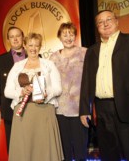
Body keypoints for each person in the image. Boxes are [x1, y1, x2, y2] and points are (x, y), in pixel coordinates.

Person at [79, 10, 129, 161]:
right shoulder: (92, 51)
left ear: (116, 21)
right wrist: (83, 110)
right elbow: (86, 81)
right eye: (100, 22)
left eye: (108, 19)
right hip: (102, 110)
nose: (105, 24)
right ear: (97, 27)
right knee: (108, 154)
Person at [4, 32, 64, 161]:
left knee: (44, 149)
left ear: (40, 47)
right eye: (30, 45)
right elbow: (7, 91)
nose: (33, 48)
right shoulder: (17, 67)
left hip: (44, 111)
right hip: (23, 114)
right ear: (25, 45)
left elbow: (58, 89)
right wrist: (21, 92)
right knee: (24, 149)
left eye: (36, 45)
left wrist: (46, 93)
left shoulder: (49, 65)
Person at [49, 22, 89, 161]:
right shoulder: (53, 57)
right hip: (59, 109)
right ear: (59, 37)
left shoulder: (84, 53)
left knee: (80, 148)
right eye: (64, 34)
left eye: (71, 34)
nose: (68, 37)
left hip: (79, 109)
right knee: (63, 149)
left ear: (75, 36)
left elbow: (90, 79)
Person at [0, 26, 26, 151]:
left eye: (18, 36)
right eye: (12, 37)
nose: (15, 39)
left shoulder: (36, 56)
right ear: (8, 40)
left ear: (23, 38)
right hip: (9, 110)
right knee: (14, 148)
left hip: (32, 109)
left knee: (32, 147)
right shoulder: (1, 60)